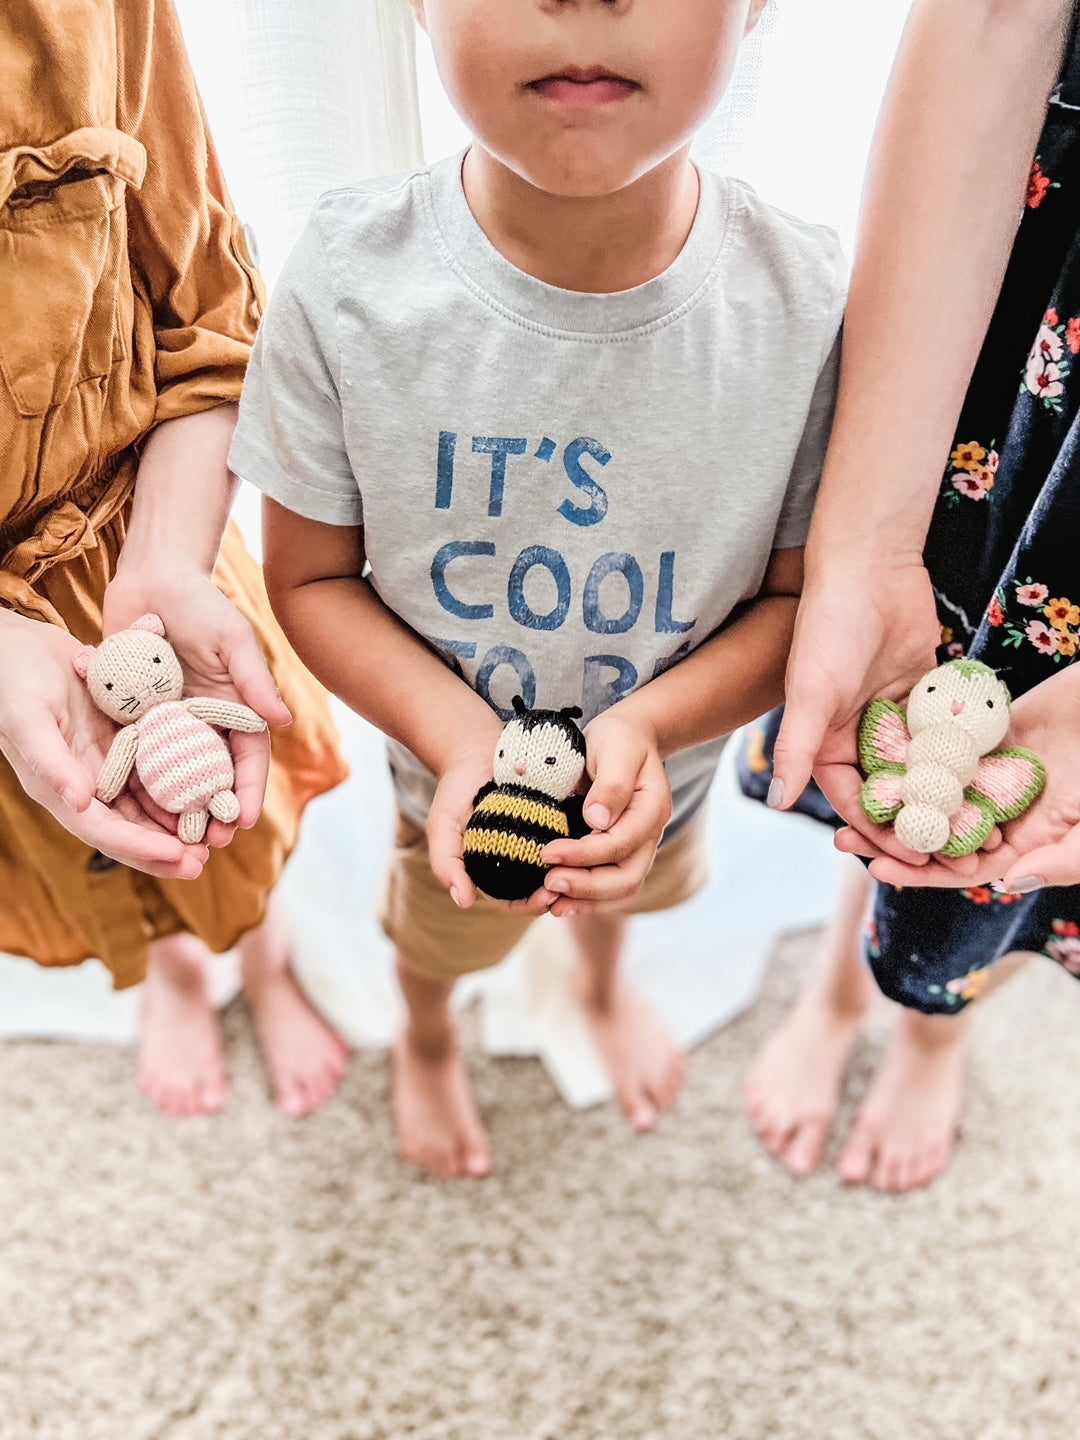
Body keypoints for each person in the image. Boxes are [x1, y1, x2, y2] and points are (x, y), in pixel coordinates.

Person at [231, 0, 847, 1178]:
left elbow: (800, 601)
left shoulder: (807, 303)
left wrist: (647, 730)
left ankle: (601, 987)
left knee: (627, 895)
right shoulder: (347, 278)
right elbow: (307, 578)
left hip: (673, 770)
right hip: (442, 794)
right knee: (441, 941)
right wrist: (461, 741)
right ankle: (424, 1042)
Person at [740, 0, 1080, 1191]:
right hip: (1030, 316)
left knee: (1006, 846)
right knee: (897, 693)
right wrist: (867, 546)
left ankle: (936, 1022)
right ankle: (843, 975)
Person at [0, 0, 350, 1118]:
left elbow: (211, 330)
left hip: (152, 547)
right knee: (101, 851)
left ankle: (267, 964)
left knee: (239, 841)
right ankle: (180, 980)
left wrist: (166, 564)